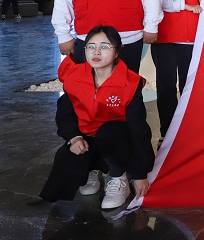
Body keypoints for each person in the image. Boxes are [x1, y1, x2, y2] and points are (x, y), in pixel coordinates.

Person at [39, 25, 155, 210]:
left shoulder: (130, 83)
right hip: (89, 139)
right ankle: (90, 171)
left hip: (118, 143)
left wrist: (140, 174)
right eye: (91, 46)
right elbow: (65, 113)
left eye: (104, 46)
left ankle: (118, 177)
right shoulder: (75, 77)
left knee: (109, 132)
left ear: (117, 52)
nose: (96, 52)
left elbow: (138, 129)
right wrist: (74, 137)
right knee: (66, 156)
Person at [151, 0, 204, 140]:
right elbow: (157, 1)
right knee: (165, 88)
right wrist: (186, 5)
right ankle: (167, 134)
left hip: (192, 39)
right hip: (164, 38)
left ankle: (187, 134)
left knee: (188, 88)